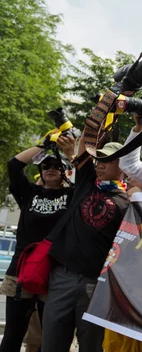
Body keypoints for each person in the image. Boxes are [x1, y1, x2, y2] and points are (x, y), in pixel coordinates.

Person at [42, 141, 130, 352]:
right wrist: (102, 111)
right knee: (51, 344)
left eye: (108, 160)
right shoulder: (86, 184)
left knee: (92, 347)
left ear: (123, 165)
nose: (100, 165)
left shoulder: (130, 205)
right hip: (63, 277)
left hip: (96, 285)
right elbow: (84, 148)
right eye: (98, 160)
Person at [0, 136, 75, 352]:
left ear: (65, 171)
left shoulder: (72, 196)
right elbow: (13, 165)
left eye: (56, 166)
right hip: (21, 271)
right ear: (40, 170)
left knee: (50, 337)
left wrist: (69, 152)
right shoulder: (29, 193)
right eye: (46, 165)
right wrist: (44, 145)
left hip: (54, 274)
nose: (50, 169)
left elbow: (90, 180)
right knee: (14, 332)